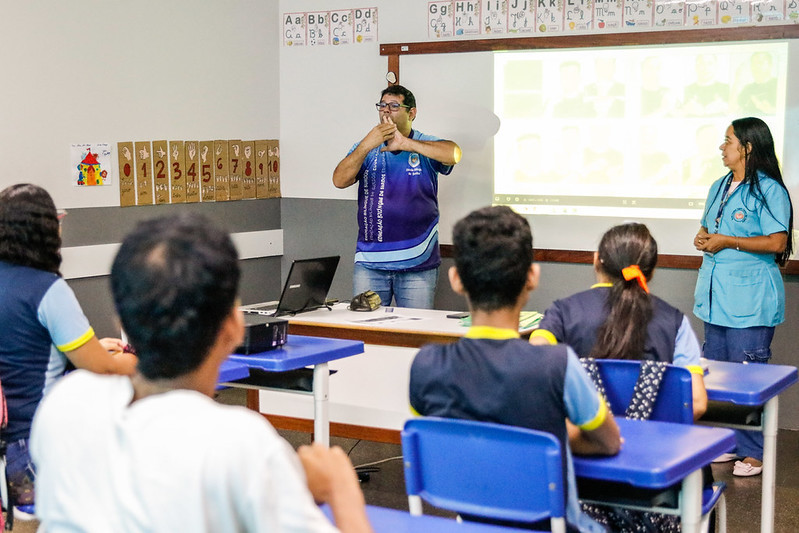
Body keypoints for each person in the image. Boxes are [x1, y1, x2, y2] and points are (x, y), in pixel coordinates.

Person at [31, 214, 373, 533]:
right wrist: (340, 490)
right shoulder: (243, 444)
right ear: (234, 327)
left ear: (122, 324)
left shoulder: (64, 405)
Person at [409, 206, 621, 532]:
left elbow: (442, 437)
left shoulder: (425, 366)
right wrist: (558, 436)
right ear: (532, 277)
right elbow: (609, 442)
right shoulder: (558, 364)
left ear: (456, 279)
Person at [0, 183, 137, 509]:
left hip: (6, 458)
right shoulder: (47, 289)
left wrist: (88, 347)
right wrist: (138, 360)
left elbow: (24, 349)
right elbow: (105, 368)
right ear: (49, 229)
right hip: (35, 459)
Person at [693, 117, 793, 477]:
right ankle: (730, 442)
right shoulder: (720, 185)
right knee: (718, 375)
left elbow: (778, 242)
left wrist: (728, 241)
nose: (722, 147)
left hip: (750, 301)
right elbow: (709, 226)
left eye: (728, 141)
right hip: (716, 298)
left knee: (748, 378)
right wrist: (703, 236)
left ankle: (753, 453)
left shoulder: (769, 190)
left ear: (747, 147)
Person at [530, 222, 708, 421]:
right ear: (651, 271)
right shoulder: (676, 322)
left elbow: (533, 366)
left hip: (581, 436)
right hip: (651, 438)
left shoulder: (562, 312)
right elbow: (696, 403)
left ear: (596, 260)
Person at [332, 84, 461, 309]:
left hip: (417, 263)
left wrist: (406, 144)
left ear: (411, 113)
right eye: (382, 105)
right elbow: (339, 180)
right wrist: (367, 144)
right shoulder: (366, 148)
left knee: (413, 327)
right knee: (365, 326)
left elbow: (453, 153)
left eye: (393, 106)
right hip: (370, 263)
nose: (386, 111)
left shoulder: (424, 144)